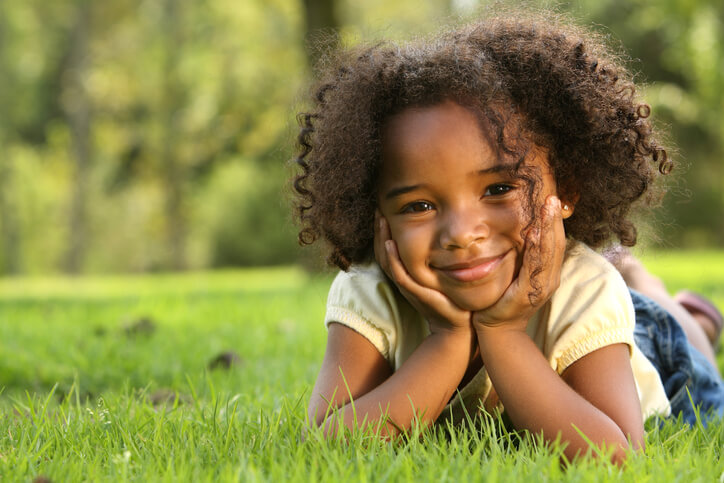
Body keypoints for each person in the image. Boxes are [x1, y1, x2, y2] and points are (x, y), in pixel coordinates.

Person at [291, 11, 724, 463]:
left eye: (498, 189)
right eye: (418, 206)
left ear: (567, 190)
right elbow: (325, 445)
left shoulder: (586, 288)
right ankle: (641, 282)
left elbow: (615, 456)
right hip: (587, 322)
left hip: (645, 350)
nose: (461, 235)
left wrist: (502, 333)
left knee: (676, 338)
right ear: (374, 212)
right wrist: (447, 339)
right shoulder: (370, 291)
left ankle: (685, 310)